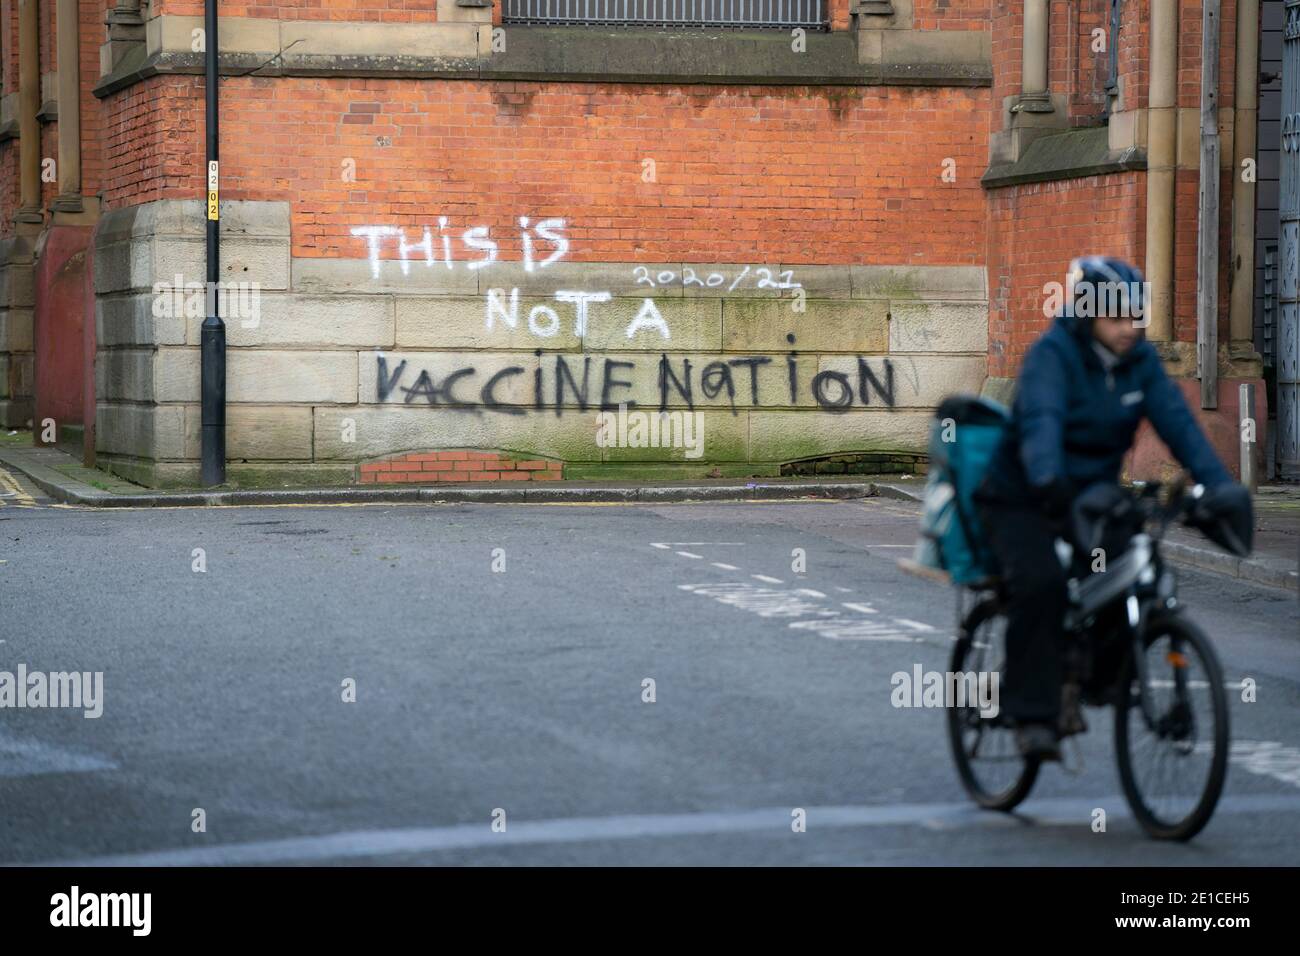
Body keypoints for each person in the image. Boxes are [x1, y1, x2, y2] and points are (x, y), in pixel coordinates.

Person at [974, 256, 1235, 760]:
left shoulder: (1139, 363)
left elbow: (1179, 425)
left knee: (1133, 571)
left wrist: (1219, 486)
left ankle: (1090, 675)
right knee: (1043, 584)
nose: (1130, 327)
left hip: (1092, 498)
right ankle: (1032, 714)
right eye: (1117, 317)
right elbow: (1043, 426)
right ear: (1089, 315)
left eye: (1136, 315)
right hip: (1023, 496)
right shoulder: (1055, 356)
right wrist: (1050, 484)